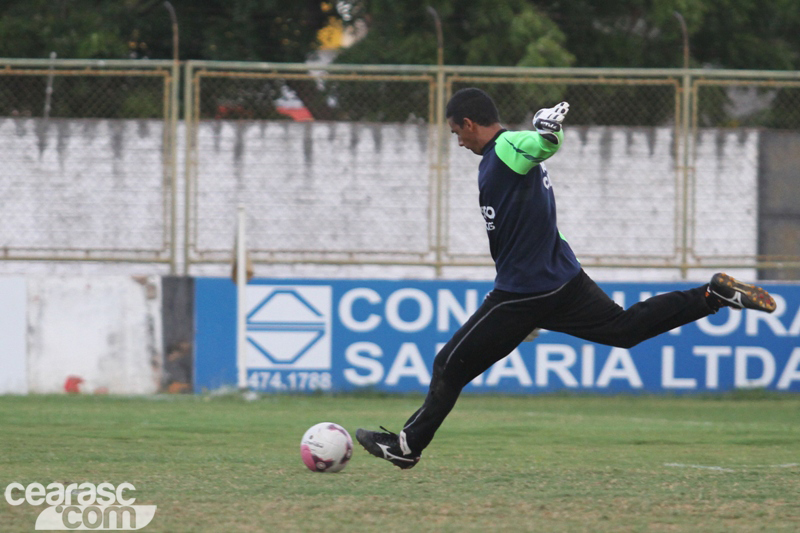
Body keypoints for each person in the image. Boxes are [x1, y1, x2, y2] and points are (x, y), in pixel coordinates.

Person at [355, 88, 777, 469]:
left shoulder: (504, 147)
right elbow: (541, 215)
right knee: (624, 330)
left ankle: (406, 447)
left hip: (524, 291)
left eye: (456, 133)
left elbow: (539, 145)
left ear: (468, 123)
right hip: (561, 280)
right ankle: (712, 295)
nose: (458, 141)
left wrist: (548, 132)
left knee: (448, 364)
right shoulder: (503, 157)